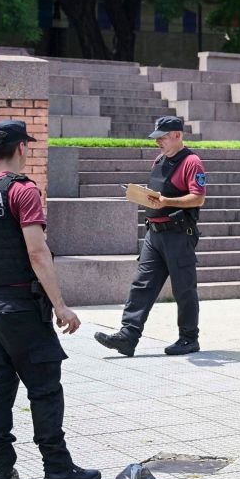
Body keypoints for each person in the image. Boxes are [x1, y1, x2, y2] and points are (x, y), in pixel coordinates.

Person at [0, 120, 101, 479]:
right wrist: (61, 306)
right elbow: (37, 253)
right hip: (19, 306)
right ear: (22, 148)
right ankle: (57, 468)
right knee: (44, 386)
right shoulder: (22, 191)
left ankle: (2, 471)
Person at [94, 116, 206, 357]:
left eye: (162, 138)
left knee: (184, 289)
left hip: (178, 235)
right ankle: (128, 336)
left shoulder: (192, 162)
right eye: (156, 138)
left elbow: (198, 198)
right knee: (141, 285)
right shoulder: (159, 159)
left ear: (177, 135)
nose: (158, 142)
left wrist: (167, 201)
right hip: (154, 234)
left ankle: (189, 339)